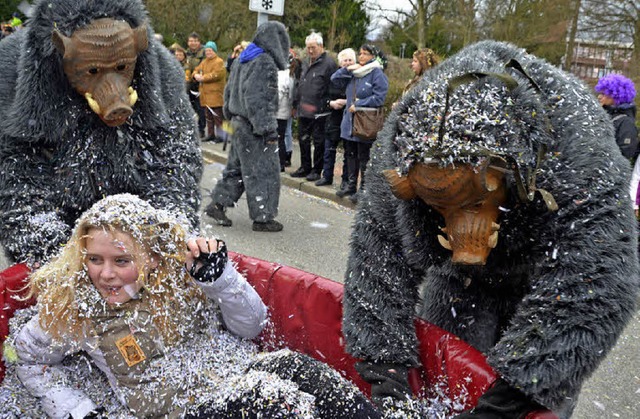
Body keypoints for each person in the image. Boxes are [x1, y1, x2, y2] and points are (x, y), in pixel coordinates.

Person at [342, 40, 639, 419]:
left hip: (545, 279)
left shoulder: (577, 137)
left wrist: (510, 400)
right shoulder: (401, 142)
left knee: (536, 400)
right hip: (458, 283)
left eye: (470, 205)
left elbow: (599, 282)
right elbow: (376, 260)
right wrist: (385, 373)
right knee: (446, 386)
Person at [10, 193, 381, 418]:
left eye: (122, 261)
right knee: (274, 400)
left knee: (296, 367)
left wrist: (221, 281)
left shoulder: (182, 276)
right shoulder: (76, 306)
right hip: (180, 409)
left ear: (153, 257)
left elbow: (252, 327)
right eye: (94, 259)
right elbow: (27, 359)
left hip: (232, 368)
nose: (105, 274)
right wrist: (78, 411)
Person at [205, 22, 289, 232]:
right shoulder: (264, 62)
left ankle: (218, 204)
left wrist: (229, 116)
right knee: (264, 171)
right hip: (253, 127)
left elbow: (229, 92)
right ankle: (263, 217)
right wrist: (268, 129)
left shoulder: (244, 59)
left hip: (238, 123)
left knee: (237, 169)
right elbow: (258, 99)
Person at [330, 44, 389, 203]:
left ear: (372, 56)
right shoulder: (355, 72)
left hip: (365, 123)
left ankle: (364, 189)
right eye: (360, 53)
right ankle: (350, 186)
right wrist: (347, 69)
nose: (361, 57)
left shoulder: (376, 73)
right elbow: (334, 79)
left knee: (364, 157)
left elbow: (380, 98)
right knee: (350, 155)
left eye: (365, 54)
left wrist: (361, 103)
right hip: (349, 122)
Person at [291, 32, 338, 181]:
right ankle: (305, 167)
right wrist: (295, 103)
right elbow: (299, 83)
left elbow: (333, 87)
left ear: (321, 46)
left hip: (319, 110)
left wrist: (326, 104)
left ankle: (317, 170)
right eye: (308, 48)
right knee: (303, 140)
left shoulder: (329, 64)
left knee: (318, 142)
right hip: (303, 108)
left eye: (313, 48)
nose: (310, 51)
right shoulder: (305, 62)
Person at [315, 48, 357, 188]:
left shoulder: (357, 77)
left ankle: (346, 180)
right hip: (333, 116)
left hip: (350, 117)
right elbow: (323, 95)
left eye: (350, 60)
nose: (347, 63)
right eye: (345, 60)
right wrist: (331, 103)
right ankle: (327, 176)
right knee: (330, 149)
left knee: (348, 152)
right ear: (340, 62)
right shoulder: (333, 77)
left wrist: (346, 102)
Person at [595, 73, 638, 161]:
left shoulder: (625, 122)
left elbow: (624, 153)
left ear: (616, 96)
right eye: (600, 93)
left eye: (603, 94)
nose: (599, 97)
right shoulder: (603, 115)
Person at [193, 41, 226, 143]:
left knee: (217, 116)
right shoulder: (204, 62)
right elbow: (196, 70)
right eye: (207, 50)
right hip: (205, 95)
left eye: (210, 50)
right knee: (209, 117)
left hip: (215, 94)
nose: (208, 52)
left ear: (214, 51)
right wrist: (195, 75)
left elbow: (216, 75)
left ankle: (221, 136)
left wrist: (202, 78)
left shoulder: (219, 62)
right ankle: (211, 134)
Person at [276, 51, 297, 172]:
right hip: (285, 110)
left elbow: (278, 94)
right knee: (281, 137)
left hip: (278, 111)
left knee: (277, 139)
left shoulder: (282, 75)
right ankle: (282, 162)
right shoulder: (291, 75)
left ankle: (279, 163)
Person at [185, 32, 207, 138]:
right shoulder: (186, 53)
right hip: (188, 84)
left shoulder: (204, 53)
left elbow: (204, 67)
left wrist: (195, 74)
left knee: (200, 109)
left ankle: (201, 130)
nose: (192, 43)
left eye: (195, 41)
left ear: (199, 42)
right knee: (188, 108)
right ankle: (189, 129)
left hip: (200, 84)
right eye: (190, 41)